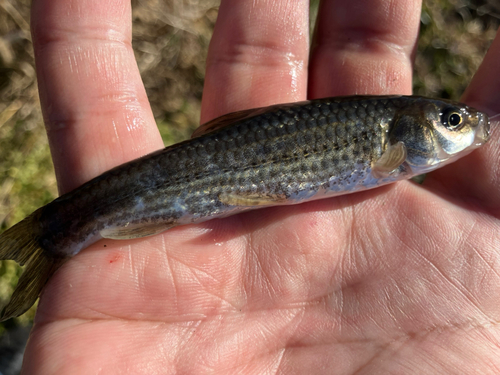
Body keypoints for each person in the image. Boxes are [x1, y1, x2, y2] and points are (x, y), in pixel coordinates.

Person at [22, 0, 500, 373]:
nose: (466, 127)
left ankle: (61, 228)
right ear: (403, 131)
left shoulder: (392, 149)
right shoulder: (390, 145)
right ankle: (59, 228)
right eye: (452, 121)